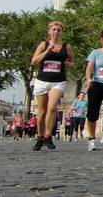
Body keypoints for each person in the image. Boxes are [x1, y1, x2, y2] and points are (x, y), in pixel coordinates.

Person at [30, 20, 74, 151]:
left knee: (52, 108)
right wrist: (47, 51)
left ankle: (48, 136)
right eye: (53, 29)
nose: (56, 32)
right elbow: (34, 61)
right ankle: (40, 137)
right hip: (42, 81)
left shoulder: (66, 47)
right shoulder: (44, 44)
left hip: (58, 81)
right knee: (42, 112)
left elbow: (72, 62)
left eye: (58, 30)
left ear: (62, 32)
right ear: (49, 31)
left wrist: (68, 64)